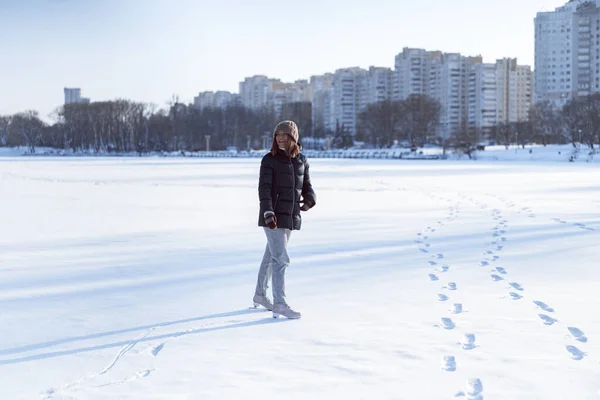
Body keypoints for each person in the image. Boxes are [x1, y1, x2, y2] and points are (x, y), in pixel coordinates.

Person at [253, 120, 316, 319]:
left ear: (293, 137)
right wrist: (268, 212)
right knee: (280, 259)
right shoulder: (269, 160)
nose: (280, 138)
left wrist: (310, 198)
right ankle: (279, 303)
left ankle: (260, 295)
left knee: (271, 257)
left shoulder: (302, 161)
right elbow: (264, 189)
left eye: (284, 134)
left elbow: (306, 185)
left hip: (289, 217)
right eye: (277, 134)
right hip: (272, 217)